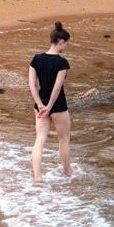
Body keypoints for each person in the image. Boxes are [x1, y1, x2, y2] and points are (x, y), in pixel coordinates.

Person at [28, 21, 79, 182]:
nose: (66, 47)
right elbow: (57, 89)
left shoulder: (36, 59)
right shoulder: (62, 63)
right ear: (61, 42)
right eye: (67, 44)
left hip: (40, 105)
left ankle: (37, 176)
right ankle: (67, 171)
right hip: (58, 107)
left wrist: (41, 105)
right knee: (63, 139)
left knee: (40, 139)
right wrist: (49, 107)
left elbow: (32, 85)